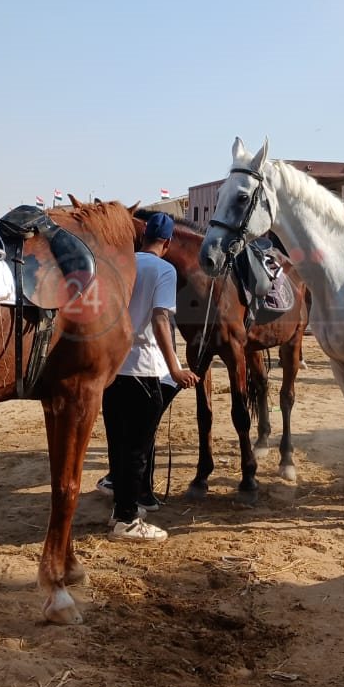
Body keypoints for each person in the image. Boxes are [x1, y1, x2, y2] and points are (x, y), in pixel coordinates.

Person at [99, 211, 198, 542]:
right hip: (145, 369)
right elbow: (159, 320)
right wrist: (176, 369)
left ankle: (119, 510)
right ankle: (128, 519)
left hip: (113, 369)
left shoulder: (121, 265)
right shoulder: (165, 270)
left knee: (118, 443)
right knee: (139, 448)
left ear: (142, 238)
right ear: (168, 243)